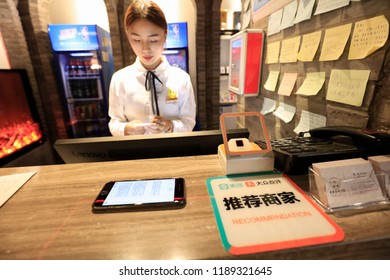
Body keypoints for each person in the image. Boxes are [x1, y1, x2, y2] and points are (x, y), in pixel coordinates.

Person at [108, 0, 196, 136]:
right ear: (128, 36)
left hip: (172, 152)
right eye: (136, 40)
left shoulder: (181, 79)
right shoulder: (120, 79)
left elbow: (189, 122)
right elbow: (114, 122)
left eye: (153, 40)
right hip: (135, 153)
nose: (145, 49)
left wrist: (170, 126)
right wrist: (125, 129)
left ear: (165, 35)